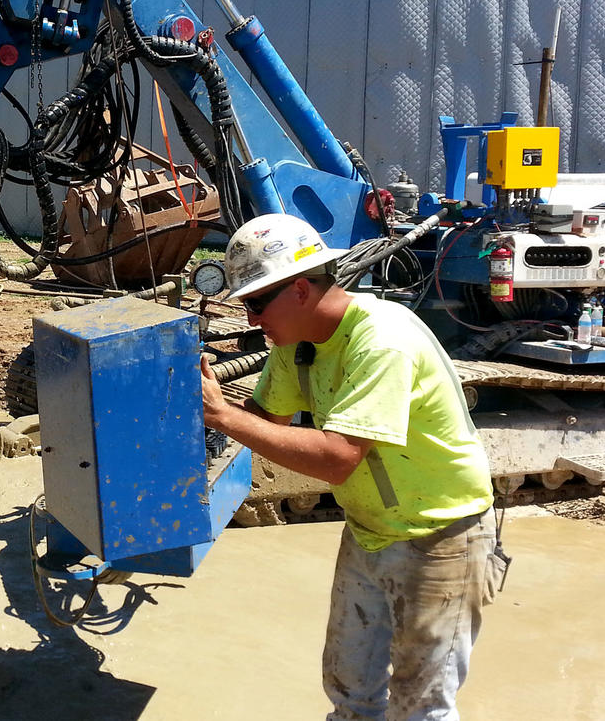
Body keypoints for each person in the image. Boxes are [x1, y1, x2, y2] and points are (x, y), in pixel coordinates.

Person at [200, 213, 500, 721]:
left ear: (298, 289)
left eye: (254, 302)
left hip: (440, 537)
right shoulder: (298, 342)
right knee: (349, 689)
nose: (250, 320)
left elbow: (338, 460)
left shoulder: (380, 340)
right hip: (370, 531)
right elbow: (264, 420)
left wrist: (222, 415)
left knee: (421, 706)